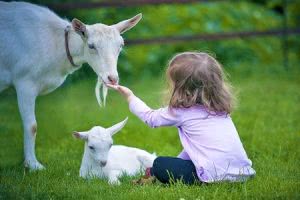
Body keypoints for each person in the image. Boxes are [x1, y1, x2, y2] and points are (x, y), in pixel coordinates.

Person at [107, 52, 255, 185]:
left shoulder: (182, 111)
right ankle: (154, 174)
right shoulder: (221, 111)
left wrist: (130, 97)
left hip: (213, 176)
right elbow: (196, 150)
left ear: (181, 87)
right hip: (241, 173)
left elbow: (150, 118)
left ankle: (161, 175)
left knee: (159, 164)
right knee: (167, 165)